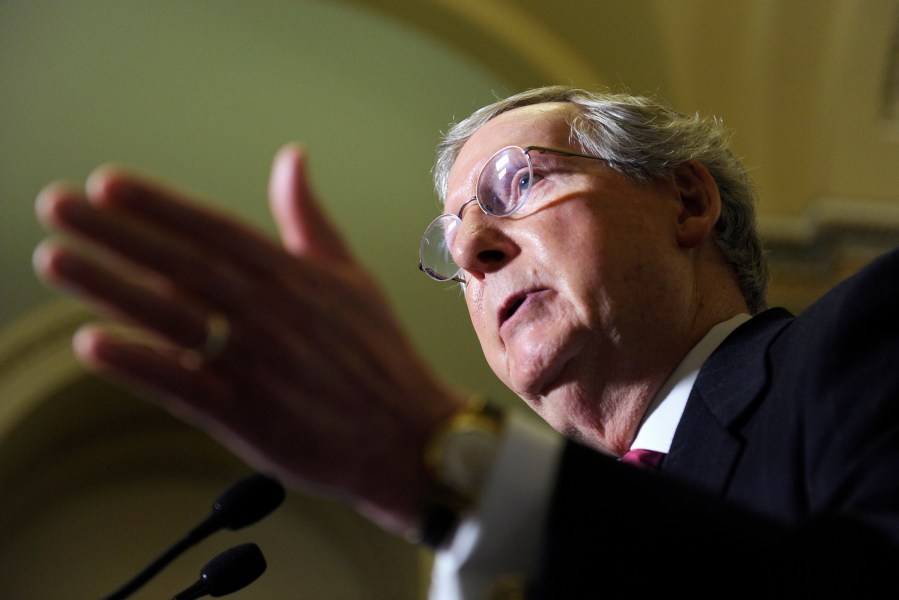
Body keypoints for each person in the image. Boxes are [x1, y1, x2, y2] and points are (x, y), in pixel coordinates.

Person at [33, 86, 899, 598]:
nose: (473, 251)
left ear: (685, 202)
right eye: (451, 238)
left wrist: (447, 461)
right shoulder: (475, 567)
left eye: (518, 182)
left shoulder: (861, 341)